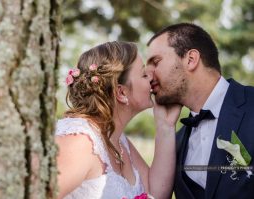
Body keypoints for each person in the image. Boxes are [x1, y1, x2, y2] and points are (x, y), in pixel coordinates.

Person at [55, 41, 181, 199]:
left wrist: (166, 125)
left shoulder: (118, 139)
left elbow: (156, 194)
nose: (151, 76)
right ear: (121, 92)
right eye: (143, 74)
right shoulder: (80, 141)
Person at [146, 23, 254, 199]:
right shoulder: (175, 143)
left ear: (191, 59)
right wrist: (164, 126)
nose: (148, 76)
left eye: (155, 62)